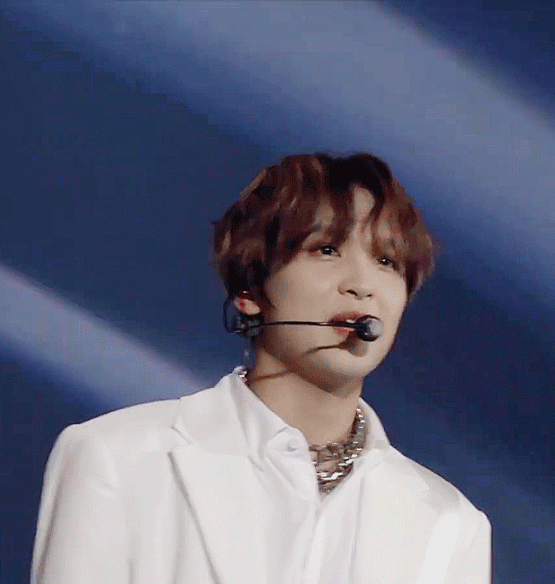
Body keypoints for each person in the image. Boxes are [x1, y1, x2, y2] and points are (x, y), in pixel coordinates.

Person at [31, 152, 491, 584]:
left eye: (386, 261)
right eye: (326, 249)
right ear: (250, 291)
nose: (361, 285)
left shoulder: (448, 522)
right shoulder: (118, 458)